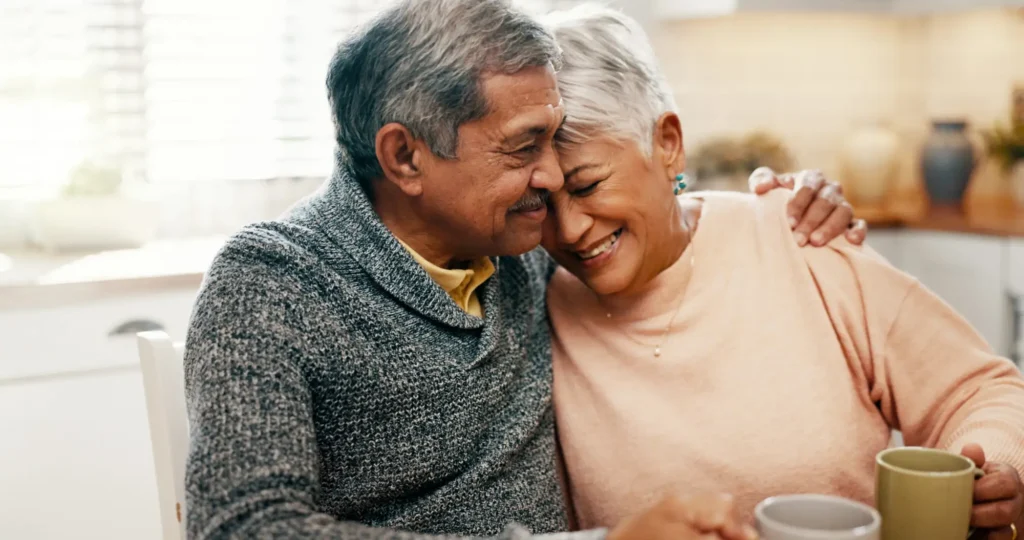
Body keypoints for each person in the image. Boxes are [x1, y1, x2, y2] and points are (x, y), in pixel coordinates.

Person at [183, 0, 863, 538]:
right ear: (405, 158)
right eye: (523, 146)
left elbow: (651, 214)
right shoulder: (271, 282)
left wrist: (784, 205)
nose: (551, 175)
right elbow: (244, 527)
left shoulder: (523, 246)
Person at [540, 5, 1024, 540]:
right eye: (539, 202)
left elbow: (980, 390)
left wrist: (992, 470)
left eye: (586, 186)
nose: (569, 229)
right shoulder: (536, 302)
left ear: (668, 144)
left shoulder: (799, 237)